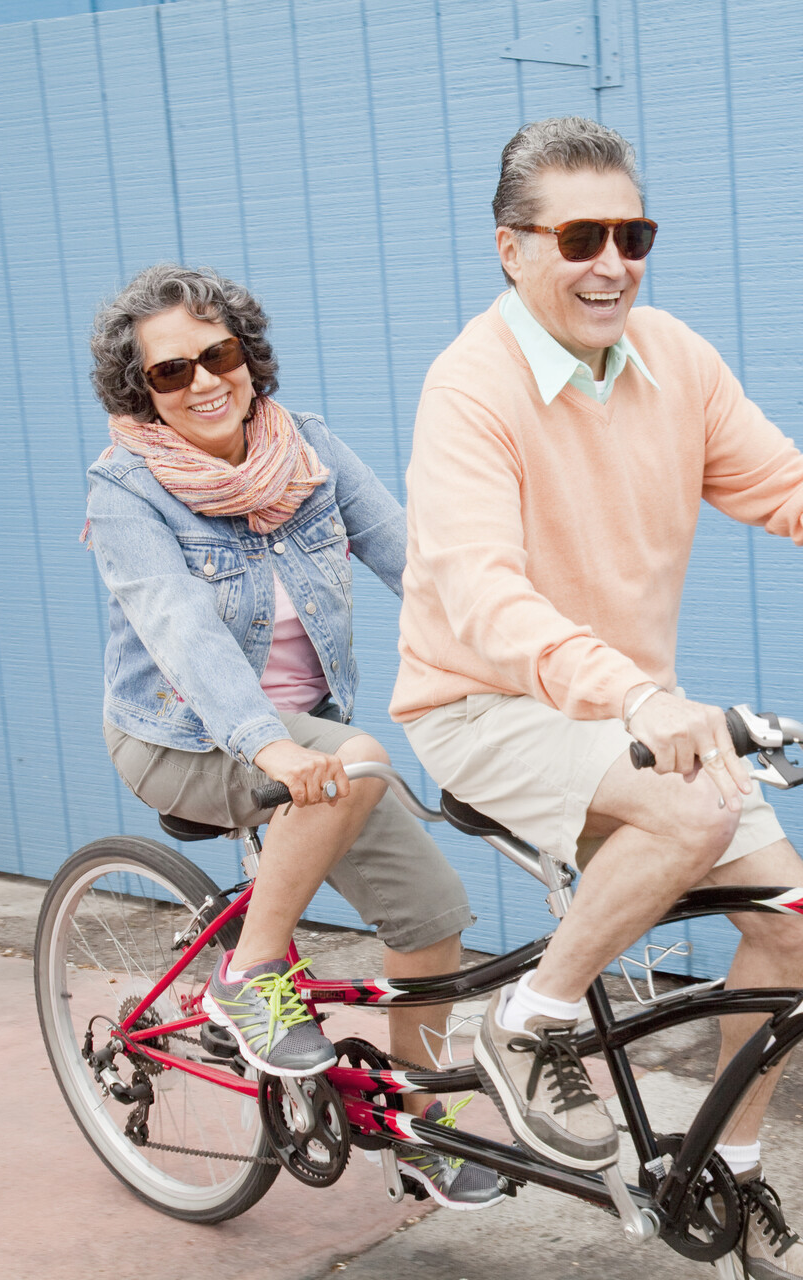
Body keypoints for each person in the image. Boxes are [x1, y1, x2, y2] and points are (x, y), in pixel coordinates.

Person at [392, 119, 803, 1276]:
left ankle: (730, 1173)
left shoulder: (675, 359)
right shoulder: (471, 388)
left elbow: (802, 493)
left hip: (629, 705)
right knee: (697, 811)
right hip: (484, 700)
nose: (613, 261)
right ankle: (531, 1017)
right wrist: (636, 700)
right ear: (511, 248)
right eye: (580, 236)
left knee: (790, 925)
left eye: (634, 233)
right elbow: (484, 595)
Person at [84, 264, 500, 1209]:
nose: (202, 381)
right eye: (169, 372)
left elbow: (411, 556)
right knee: (356, 764)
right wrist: (266, 746)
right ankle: (251, 974)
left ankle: (416, 1125)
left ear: (247, 355)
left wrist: (528, 653)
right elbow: (180, 628)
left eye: (217, 354)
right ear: (139, 393)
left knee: (433, 917)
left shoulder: (302, 446)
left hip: (310, 738)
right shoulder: (127, 492)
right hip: (182, 734)